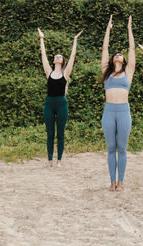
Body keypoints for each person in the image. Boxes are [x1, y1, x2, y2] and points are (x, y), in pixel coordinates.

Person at [38, 28, 82, 167]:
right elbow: (43, 55)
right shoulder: (48, 72)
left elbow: (73, 56)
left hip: (62, 104)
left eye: (60, 57)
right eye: (55, 56)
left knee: (60, 134)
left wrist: (75, 40)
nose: (57, 57)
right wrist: (41, 39)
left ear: (63, 61)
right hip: (49, 103)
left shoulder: (65, 73)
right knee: (50, 133)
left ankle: (59, 161)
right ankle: (50, 159)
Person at [101, 15, 135, 191]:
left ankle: (120, 181)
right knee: (111, 147)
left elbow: (132, 49)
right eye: (117, 54)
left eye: (121, 55)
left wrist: (129, 29)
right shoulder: (106, 73)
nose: (119, 55)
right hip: (109, 112)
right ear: (113, 59)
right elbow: (105, 48)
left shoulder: (128, 72)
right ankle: (112, 181)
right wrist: (108, 29)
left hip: (123, 111)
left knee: (122, 147)